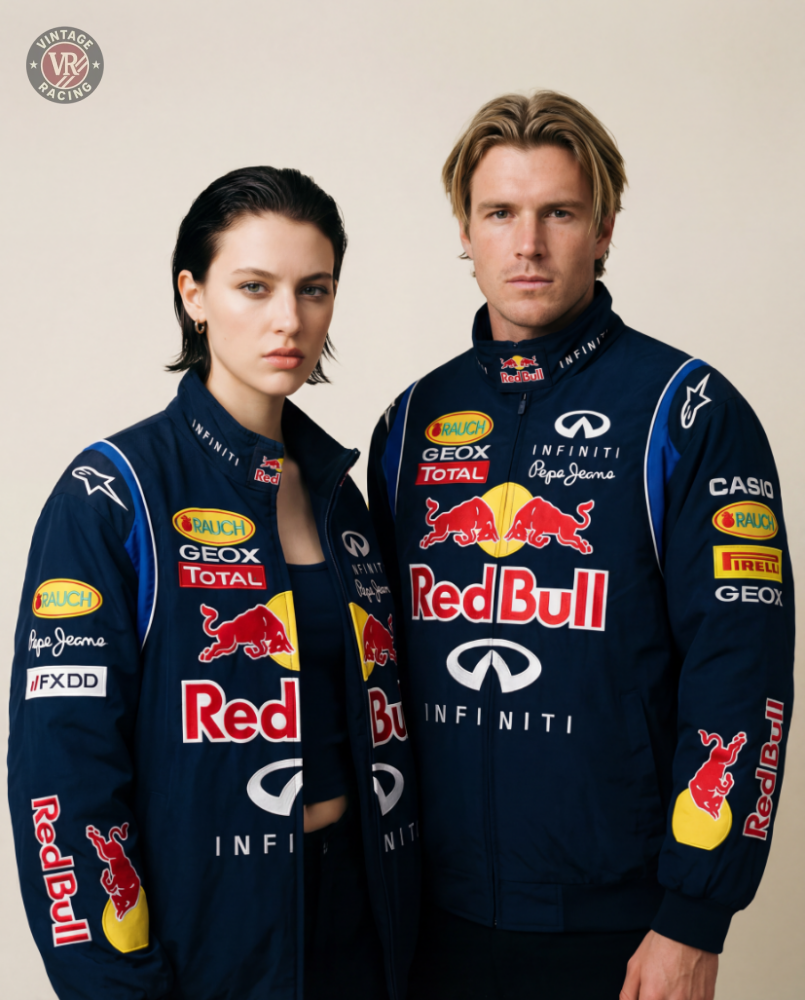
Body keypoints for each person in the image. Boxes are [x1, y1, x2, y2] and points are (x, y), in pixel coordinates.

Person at [367, 92, 794, 1000]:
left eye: (557, 212)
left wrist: (691, 917)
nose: (527, 245)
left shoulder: (688, 412)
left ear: (602, 229)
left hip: (619, 927)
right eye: (500, 214)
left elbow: (742, 671)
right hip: (424, 920)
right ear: (465, 230)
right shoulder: (409, 424)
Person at [9, 166, 419, 1000]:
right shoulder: (114, 490)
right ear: (192, 294)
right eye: (253, 287)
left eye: (314, 289)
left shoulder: (341, 495)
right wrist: (111, 983)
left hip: (363, 922)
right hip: (210, 934)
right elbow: (64, 770)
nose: (288, 320)